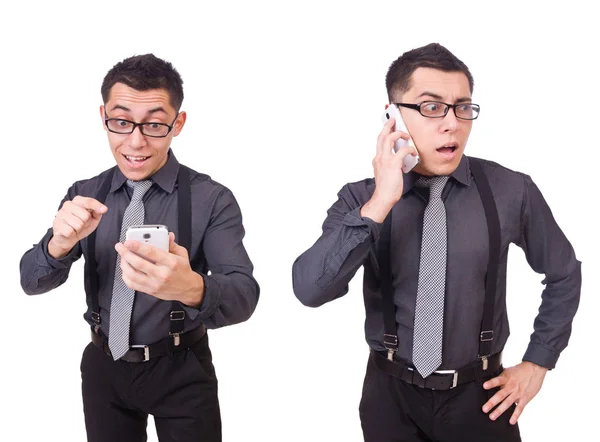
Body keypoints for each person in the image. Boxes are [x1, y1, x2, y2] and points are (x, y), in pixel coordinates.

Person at [291, 43, 581, 442]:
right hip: (389, 398)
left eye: (462, 107)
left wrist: (538, 361)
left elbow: (564, 272)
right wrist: (381, 201)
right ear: (393, 117)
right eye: (431, 107)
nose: (452, 124)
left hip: (482, 398)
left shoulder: (511, 190)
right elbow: (310, 289)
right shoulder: (361, 199)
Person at [20, 54, 259, 442]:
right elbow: (30, 281)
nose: (135, 141)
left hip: (181, 366)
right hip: (103, 367)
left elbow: (245, 295)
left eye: (153, 124)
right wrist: (57, 245)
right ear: (103, 117)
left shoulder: (212, 199)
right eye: (121, 121)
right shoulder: (84, 193)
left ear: (177, 124)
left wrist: (191, 287)